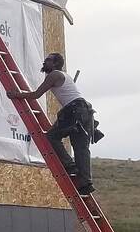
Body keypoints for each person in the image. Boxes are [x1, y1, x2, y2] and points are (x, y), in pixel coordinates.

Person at [9, 51, 103, 194]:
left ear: (55, 64)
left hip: (75, 110)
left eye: (48, 60)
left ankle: (70, 166)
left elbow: (36, 95)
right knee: (81, 148)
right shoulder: (64, 76)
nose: (44, 62)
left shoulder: (54, 75)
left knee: (52, 137)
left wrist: (16, 95)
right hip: (84, 112)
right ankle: (85, 183)